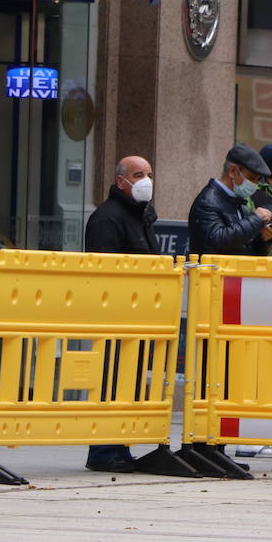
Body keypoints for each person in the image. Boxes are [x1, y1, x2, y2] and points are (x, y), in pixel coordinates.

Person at [82, 155, 158, 473]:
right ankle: (103, 449)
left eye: (149, 174)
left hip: (138, 316)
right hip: (115, 317)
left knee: (129, 383)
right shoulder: (107, 218)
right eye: (138, 174)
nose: (145, 180)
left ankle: (120, 445)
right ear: (120, 181)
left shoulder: (142, 216)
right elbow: (104, 273)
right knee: (111, 382)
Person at [188, 144, 272, 256]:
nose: (254, 185)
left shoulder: (239, 202)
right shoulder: (208, 201)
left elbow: (244, 251)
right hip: (212, 272)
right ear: (232, 171)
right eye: (251, 178)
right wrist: (255, 220)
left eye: (257, 180)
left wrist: (264, 239)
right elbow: (216, 241)